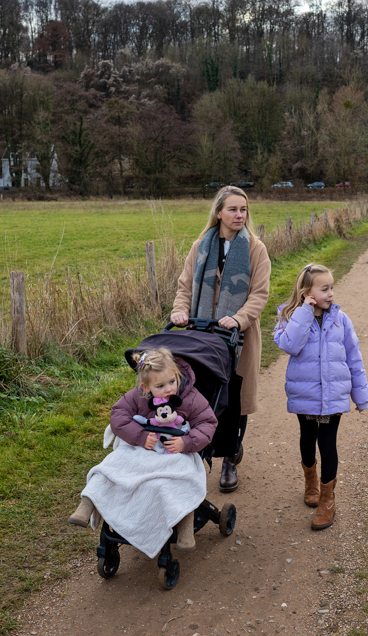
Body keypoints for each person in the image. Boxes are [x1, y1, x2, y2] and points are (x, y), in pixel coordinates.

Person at [171, 185, 271, 493]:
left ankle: (229, 457)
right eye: (233, 209)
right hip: (202, 336)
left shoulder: (255, 248)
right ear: (219, 213)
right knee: (204, 395)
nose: (240, 215)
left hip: (239, 338)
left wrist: (239, 319)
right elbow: (185, 286)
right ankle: (200, 454)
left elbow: (259, 294)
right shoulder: (201, 245)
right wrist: (179, 311)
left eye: (243, 210)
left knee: (235, 399)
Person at [68, 348, 217, 555]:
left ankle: (185, 524)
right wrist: (139, 436)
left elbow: (207, 422)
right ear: (146, 387)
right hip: (142, 448)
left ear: (177, 376)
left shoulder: (190, 397)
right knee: (111, 466)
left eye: (172, 382)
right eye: (161, 386)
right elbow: (119, 416)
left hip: (175, 451)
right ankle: (88, 503)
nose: (169, 389)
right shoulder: (137, 396)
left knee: (182, 478)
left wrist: (186, 442)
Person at [273, 263, 368, 531]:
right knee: (307, 438)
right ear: (307, 292)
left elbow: (354, 358)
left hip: (334, 395)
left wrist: (360, 396)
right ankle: (310, 482)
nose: (331, 294)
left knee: (328, 445)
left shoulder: (342, 319)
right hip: (305, 394)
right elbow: (290, 345)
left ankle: (328, 499)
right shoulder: (288, 316)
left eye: (332, 288)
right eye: (324, 289)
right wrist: (305, 311)